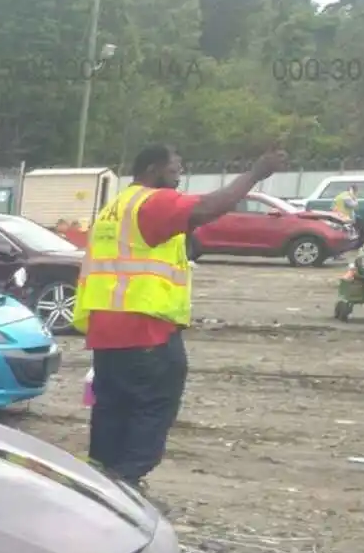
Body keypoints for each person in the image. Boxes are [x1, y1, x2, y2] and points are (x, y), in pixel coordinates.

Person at [71, 143, 290, 498]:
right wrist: (255, 174)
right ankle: (127, 486)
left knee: (112, 408)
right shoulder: (151, 202)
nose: (179, 177)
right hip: (146, 329)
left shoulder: (116, 207)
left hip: (107, 331)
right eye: (174, 171)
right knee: (153, 406)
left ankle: (102, 482)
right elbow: (206, 208)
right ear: (154, 169)